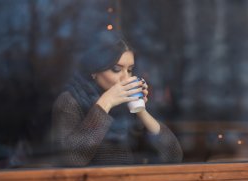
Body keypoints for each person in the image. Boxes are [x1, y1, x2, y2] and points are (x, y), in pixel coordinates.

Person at [51, 32, 182, 167]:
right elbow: (72, 159)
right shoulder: (70, 101)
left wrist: (140, 111)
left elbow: (173, 156)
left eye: (130, 70)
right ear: (94, 70)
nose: (125, 78)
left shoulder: (125, 105)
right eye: (116, 69)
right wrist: (105, 103)